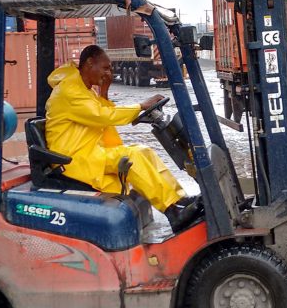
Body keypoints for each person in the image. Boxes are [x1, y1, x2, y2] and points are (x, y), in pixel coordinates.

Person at [45, 45, 202, 232]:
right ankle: (172, 213)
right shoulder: (71, 90)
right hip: (74, 159)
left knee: (143, 150)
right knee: (131, 158)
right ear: (89, 63)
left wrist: (104, 91)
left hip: (88, 153)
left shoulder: (83, 87)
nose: (108, 73)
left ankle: (178, 199)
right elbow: (103, 116)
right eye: (105, 68)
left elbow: (100, 114)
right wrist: (141, 106)